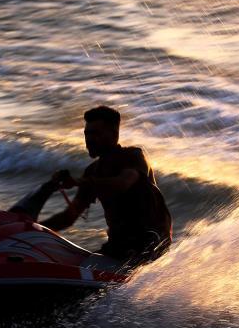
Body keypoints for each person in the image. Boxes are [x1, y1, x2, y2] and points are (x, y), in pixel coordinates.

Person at [14, 106, 172, 266]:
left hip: (150, 242)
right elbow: (69, 217)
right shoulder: (92, 172)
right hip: (119, 247)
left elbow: (124, 182)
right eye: (86, 134)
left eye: (95, 134)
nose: (89, 139)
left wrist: (79, 182)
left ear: (114, 134)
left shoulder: (133, 156)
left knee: (90, 268)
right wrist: (29, 231)